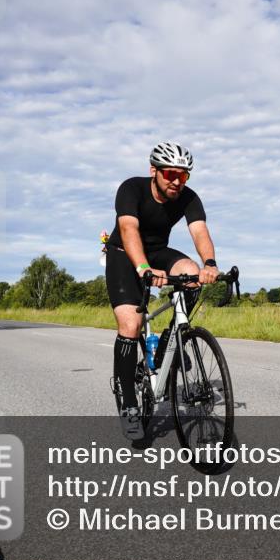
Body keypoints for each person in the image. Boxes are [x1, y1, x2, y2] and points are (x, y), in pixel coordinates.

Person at [105, 142, 219, 440]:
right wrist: (142, 268)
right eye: (171, 174)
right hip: (123, 253)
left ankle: (173, 338)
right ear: (154, 171)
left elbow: (200, 232)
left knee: (192, 274)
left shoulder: (188, 197)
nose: (177, 182)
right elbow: (129, 230)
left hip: (158, 252)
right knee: (131, 324)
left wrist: (209, 263)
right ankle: (129, 402)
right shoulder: (131, 189)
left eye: (184, 176)